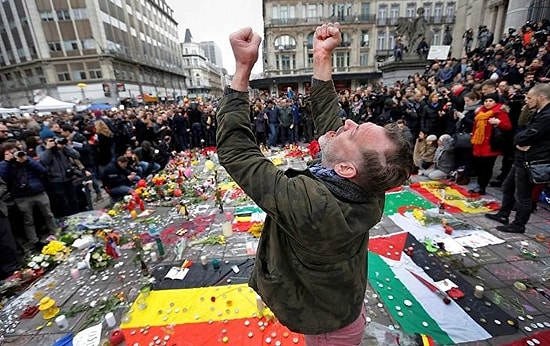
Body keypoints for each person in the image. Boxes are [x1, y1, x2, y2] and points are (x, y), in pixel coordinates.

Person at [216, 23, 413, 345]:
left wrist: (241, 70)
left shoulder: (313, 203)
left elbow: (237, 152)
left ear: (347, 168)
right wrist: (322, 56)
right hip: (339, 303)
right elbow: (329, 122)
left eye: (352, 131)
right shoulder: (369, 182)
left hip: (327, 327)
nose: (346, 123)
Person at [485, 84, 550, 233]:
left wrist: (521, 141)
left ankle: (519, 224)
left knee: (523, 195)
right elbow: (520, 134)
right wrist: (520, 140)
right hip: (522, 157)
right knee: (507, 187)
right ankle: (503, 214)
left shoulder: (547, 116)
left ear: (541, 97)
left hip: (532, 159)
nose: (526, 101)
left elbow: (526, 136)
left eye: (529, 98)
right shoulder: (538, 112)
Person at [469, 93, 512, 194]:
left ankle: (482, 186)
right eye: (486, 101)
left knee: (487, 167)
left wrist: (498, 122)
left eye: (490, 101)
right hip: (479, 143)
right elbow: (475, 127)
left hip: (491, 144)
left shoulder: (499, 112)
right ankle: (479, 184)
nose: (488, 103)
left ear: (495, 102)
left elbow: (508, 126)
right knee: (478, 166)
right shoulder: (480, 112)